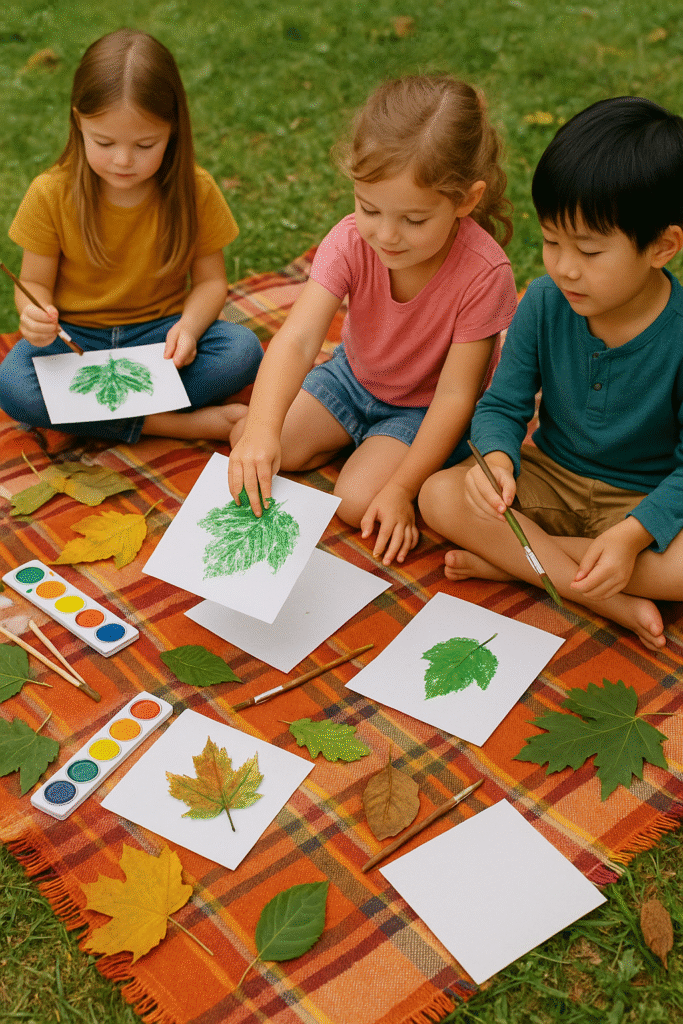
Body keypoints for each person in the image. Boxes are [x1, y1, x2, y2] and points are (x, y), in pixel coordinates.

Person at [419, 96, 683, 651]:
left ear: (662, 246)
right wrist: (495, 458)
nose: (563, 266)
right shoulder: (542, 301)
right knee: (440, 495)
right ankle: (591, 589)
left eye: (588, 250)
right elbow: (503, 404)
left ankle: (524, 560)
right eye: (551, 242)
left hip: (644, 503)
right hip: (550, 480)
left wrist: (633, 535)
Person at [227, 74, 517, 566]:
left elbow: (455, 396)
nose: (387, 235)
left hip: (421, 411)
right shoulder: (349, 241)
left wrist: (402, 488)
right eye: (369, 208)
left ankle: (382, 456)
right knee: (255, 443)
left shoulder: (484, 274)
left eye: (414, 220)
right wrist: (259, 429)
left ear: (466, 201)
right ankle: (324, 438)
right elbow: (297, 340)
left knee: (359, 500)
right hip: (352, 379)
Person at [0, 29, 262, 444]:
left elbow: (211, 282)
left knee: (242, 351)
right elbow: (33, 283)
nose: (123, 161)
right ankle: (170, 424)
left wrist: (190, 330)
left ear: (173, 129)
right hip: (74, 340)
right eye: (104, 142)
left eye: (145, 144)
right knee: (13, 383)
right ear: (78, 122)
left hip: (159, 337)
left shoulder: (195, 190)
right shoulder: (51, 193)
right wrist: (36, 313)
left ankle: (96, 419)